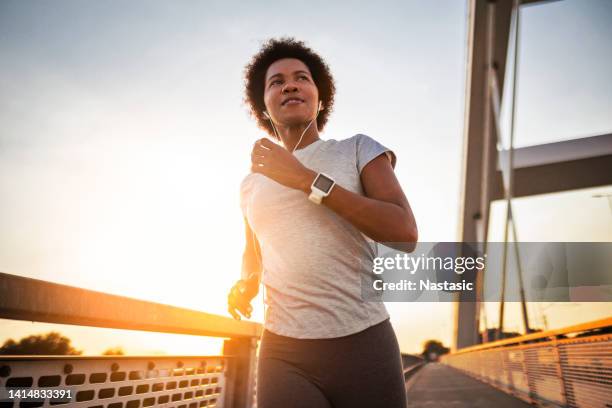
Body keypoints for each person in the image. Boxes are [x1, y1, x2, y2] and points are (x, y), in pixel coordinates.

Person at [227, 38, 418, 408]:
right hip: (284, 350)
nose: (290, 85)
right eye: (276, 82)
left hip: (364, 342)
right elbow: (255, 252)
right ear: (263, 107)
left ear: (321, 98)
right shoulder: (251, 185)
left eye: (302, 78)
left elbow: (405, 232)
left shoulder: (358, 149)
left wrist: (306, 180)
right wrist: (246, 284)